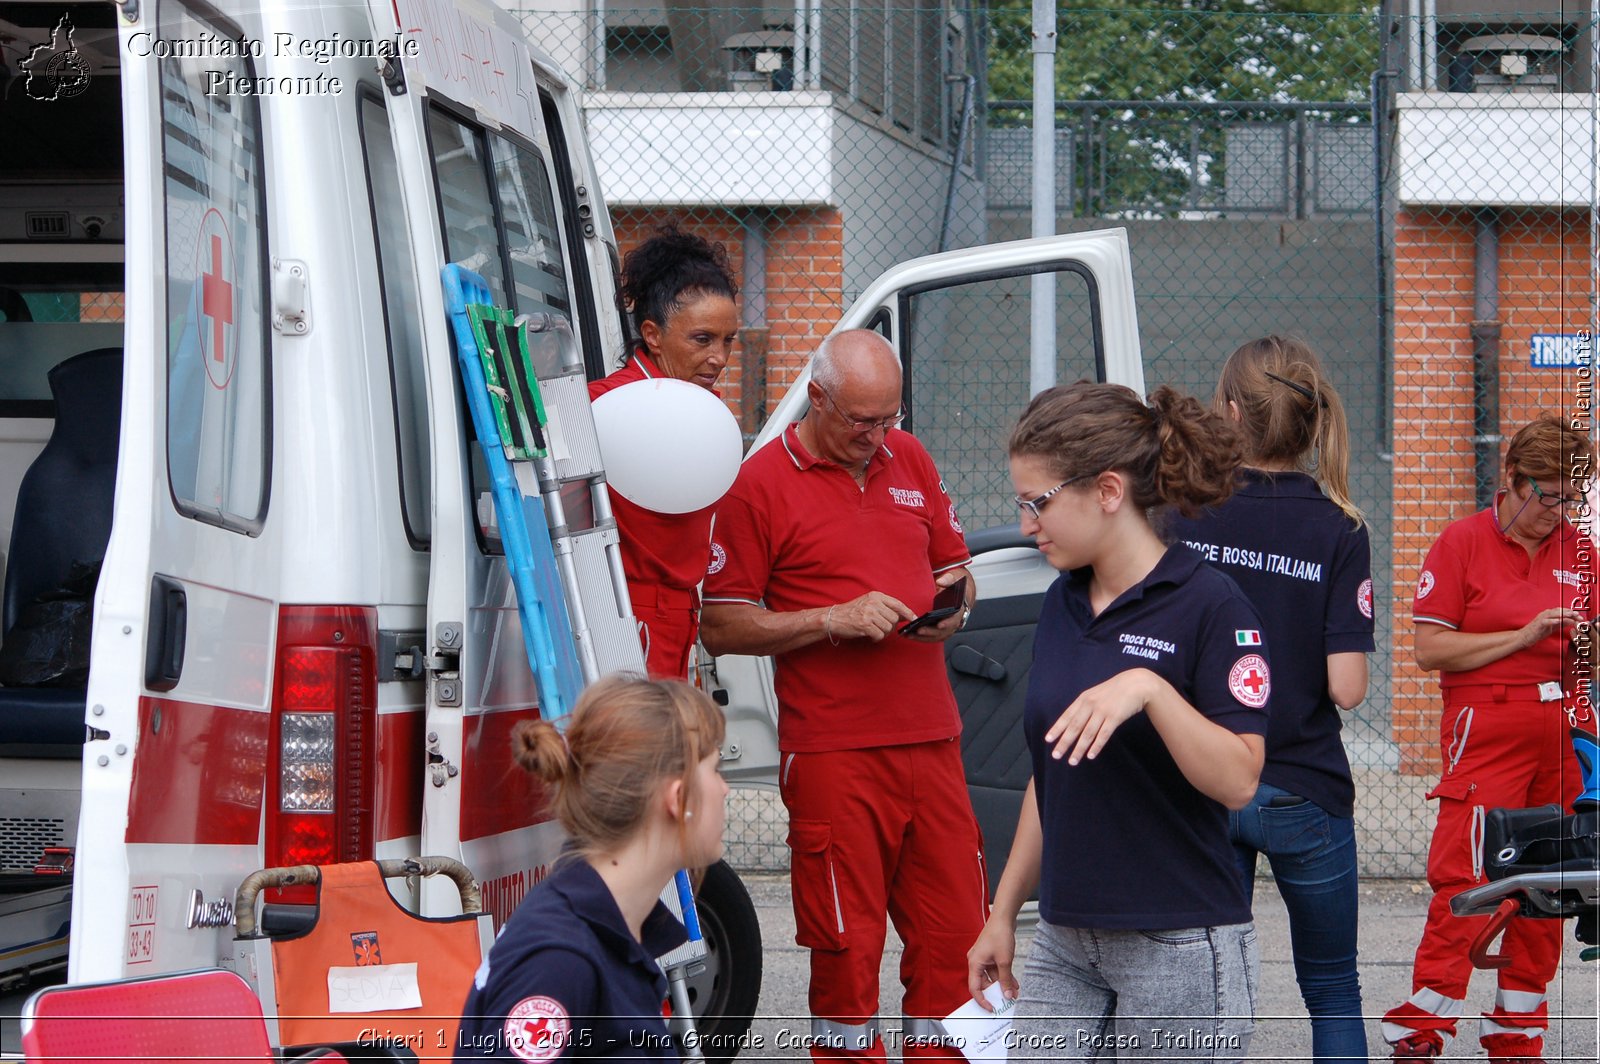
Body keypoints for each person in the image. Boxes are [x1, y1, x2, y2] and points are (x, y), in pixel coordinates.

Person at [699, 329, 984, 1063]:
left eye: (889, 417)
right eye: (862, 420)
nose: (878, 436)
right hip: (834, 751)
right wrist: (831, 619)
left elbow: (957, 570)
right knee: (846, 947)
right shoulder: (756, 485)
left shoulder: (909, 457)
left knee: (959, 938)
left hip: (932, 739)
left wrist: (956, 607)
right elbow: (721, 624)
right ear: (816, 398)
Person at [966, 382, 1268, 1062]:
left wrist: (1150, 689)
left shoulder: (1212, 607)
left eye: (1037, 502)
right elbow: (1055, 769)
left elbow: (1240, 780)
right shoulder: (1061, 603)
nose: (1025, 524)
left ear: (1107, 491)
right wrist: (1004, 912)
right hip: (1066, 938)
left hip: (1180, 944)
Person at [1166, 337, 1374, 1063]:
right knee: (1333, 988)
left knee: (1211, 993)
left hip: (1199, 782)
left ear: (1229, 414)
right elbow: (1348, 687)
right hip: (1302, 786)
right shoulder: (1340, 527)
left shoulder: (1183, 514)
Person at [1382, 415, 1596, 1063]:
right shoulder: (1461, 543)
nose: (1557, 512)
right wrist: (1525, 636)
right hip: (1487, 726)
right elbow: (1429, 649)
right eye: (1547, 495)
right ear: (1511, 479)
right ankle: (1422, 1022)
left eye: (1571, 498)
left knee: (1552, 881)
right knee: (1467, 876)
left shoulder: (1580, 552)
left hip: (1562, 733)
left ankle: (1517, 1028)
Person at [456, 675, 729, 1062]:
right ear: (678, 797)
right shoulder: (559, 961)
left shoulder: (613, 928)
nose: (724, 789)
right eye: (715, 770)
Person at [590, 227, 740, 679]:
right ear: (652, 335)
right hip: (621, 623)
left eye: (728, 340)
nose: (719, 358)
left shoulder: (705, 410)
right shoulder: (597, 407)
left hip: (682, 621)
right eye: (702, 339)